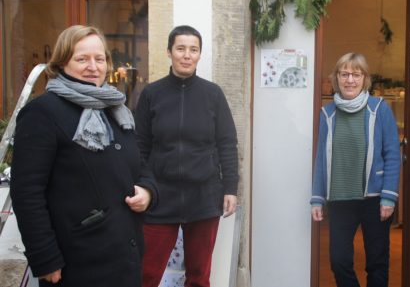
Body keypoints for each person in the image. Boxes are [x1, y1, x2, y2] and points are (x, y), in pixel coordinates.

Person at [10, 25, 157, 287]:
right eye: (82, 59)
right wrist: (45, 258)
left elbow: (140, 165)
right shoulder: (42, 113)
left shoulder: (116, 110)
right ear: (62, 62)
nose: (93, 66)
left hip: (124, 256)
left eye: (99, 59)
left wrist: (147, 191)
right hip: (77, 262)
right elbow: (27, 192)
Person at [135, 25, 239, 287]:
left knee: (199, 276)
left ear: (199, 55)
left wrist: (230, 188)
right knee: (146, 274)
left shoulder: (213, 94)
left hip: (203, 196)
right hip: (160, 196)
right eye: (180, 48)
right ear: (169, 52)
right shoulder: (151, 94)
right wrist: (141, 186)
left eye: (193, 50)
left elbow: (227, 143)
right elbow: (139, 146)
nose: (187, 55)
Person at [311, 52, 401, 287]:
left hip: (375, 199)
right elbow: (321, 158)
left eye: (356, 74)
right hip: (340, 199)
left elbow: (392, 154)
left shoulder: (379, 109)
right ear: (337, 78)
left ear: (364, 79)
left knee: (377, 262)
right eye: (344, 74)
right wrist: (317, 198)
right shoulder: (327, 114)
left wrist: (389, 196)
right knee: (339, 261)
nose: (350, 80)